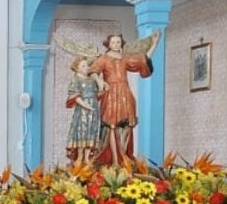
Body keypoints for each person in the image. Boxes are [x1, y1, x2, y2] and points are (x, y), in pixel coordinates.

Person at [90, 30, 160, 165]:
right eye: (113, 42)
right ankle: (113, 160)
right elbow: (93, 71)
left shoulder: (124, 58)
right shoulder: (103, 59)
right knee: (110, 126)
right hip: (110, 93)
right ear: (108, 44)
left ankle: (123, 158)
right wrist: (99, 81)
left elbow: (143, 60)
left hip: (124, 93)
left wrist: (154, 44)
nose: (116, 44)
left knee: (126, 125)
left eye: (118, 42)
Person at [65, 56, 102, 165]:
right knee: (82, 130)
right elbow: (74, 95)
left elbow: (97, 93)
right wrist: (85, 105)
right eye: (83, 66)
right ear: (77, 68)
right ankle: (80, 155)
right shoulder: (76, 79)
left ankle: (87, 156)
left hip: (93, 108)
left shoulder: (91, 80)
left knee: (92, 130)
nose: (87, 68)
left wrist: (101, 84)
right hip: (83, 110)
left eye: (87, 65)